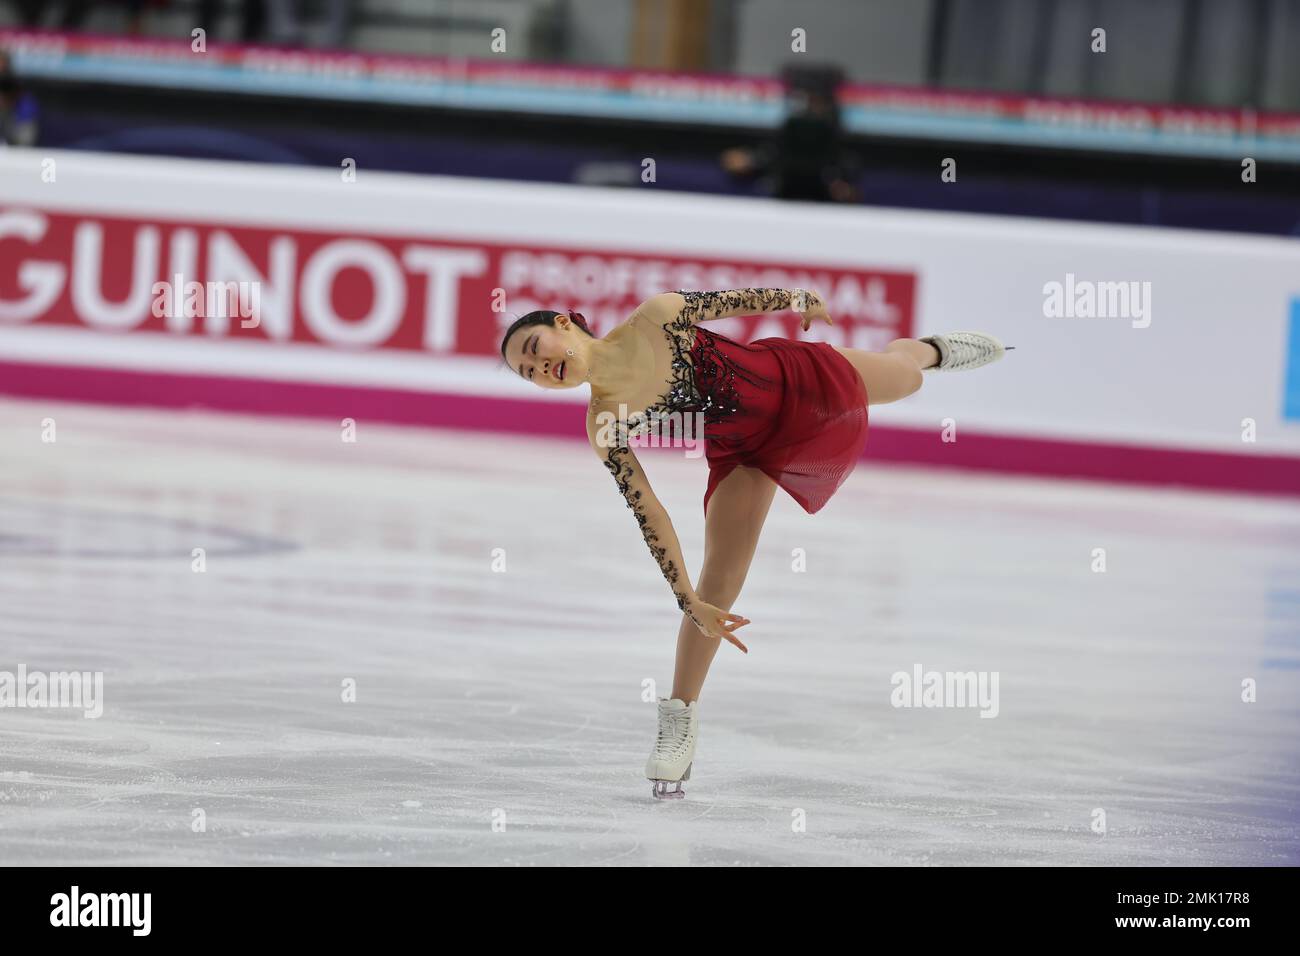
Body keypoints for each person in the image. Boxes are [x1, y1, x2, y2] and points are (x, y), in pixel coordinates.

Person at [499, 289, 1008, 798]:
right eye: (527, 372)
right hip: (745, 451)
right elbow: (649, 510)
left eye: (534, 348)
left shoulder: (657, 317)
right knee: (715, 586)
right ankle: (679, 718)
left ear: (564, 324)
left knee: (907, 378)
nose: (539, 367)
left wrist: (800, 298)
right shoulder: (605, 423)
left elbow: (741, 302)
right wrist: (686, 599)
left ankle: (928, 350)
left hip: (800, 380)